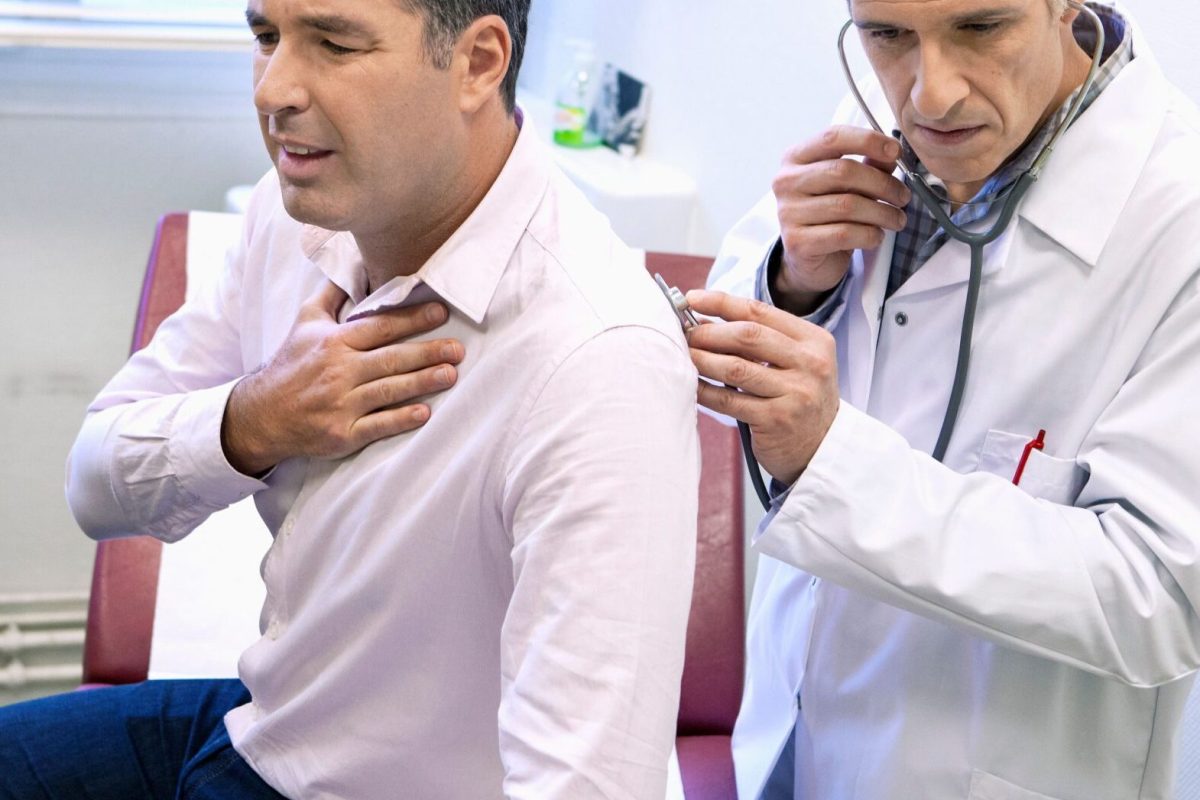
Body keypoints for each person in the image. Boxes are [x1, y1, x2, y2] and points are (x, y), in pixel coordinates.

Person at [0, 1, 700, 798]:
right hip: (267, 727)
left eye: (333, 43)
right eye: (265, 37)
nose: (274, 89)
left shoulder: (597, 359)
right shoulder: (300, 206)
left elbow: (584, 784)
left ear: (477, 63)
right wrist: (254, 420)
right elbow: (94, 484)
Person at [685, 0, 1200, 797]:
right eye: (886, 35)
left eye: (982, 28)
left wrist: (834, 466)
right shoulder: (898, 117)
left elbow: (1161, 599)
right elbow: (727, 350)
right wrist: (792, 277)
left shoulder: (1180, 221)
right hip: (790, 736)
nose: (930, 95)